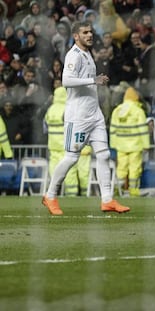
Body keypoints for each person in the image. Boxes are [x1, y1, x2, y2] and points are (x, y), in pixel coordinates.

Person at [42, 21, 130, 215]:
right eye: (85, 32)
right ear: (76, 36)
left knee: (104, 155)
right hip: (78, 117)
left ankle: (107, 200)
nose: (90, 35)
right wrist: (94, 80)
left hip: (95, 115)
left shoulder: (88, 53)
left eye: (91, 31)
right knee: (71, 158)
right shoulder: (73, 55)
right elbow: (66, 81)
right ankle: (49, 196)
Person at [110, 87, 150, 197]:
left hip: (121, 145)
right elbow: (143, 129)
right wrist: (146, 145)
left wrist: (113, 144)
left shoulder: (117, 111)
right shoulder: (138, 111)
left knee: (121, 168)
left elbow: (113, 129)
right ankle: (133, 190)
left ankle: (118, 189)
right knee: (134, 168)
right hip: (135, 145)